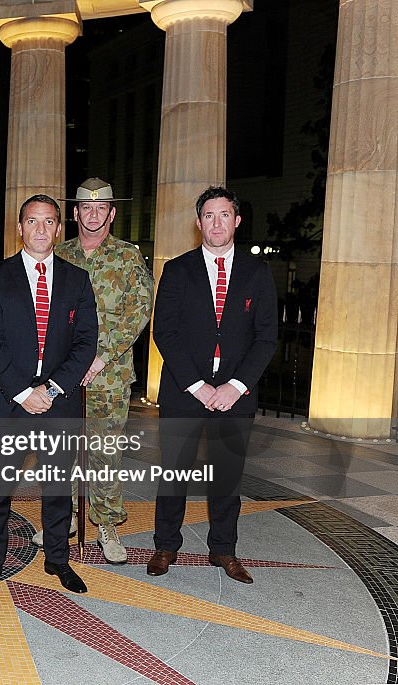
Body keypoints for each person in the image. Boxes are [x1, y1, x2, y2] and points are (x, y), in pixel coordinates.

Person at [147, 186, 277, 584]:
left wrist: (235, 385)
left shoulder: (257, 272)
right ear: (198, 222)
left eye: (224, 215)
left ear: (236, 221)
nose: (216, 223)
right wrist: (197, 385)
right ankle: (165, 545)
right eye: (209, 216)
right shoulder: (178, 268)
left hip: (235, 395)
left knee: (227, 476)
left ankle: (224, 550)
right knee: (173, 475)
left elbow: (267, 335)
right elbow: (164, 332)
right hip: (185, 392)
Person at [0, 194, 98, 596]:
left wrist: (53, 387)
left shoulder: (77, 279)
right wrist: (25, 391)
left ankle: (58, 561)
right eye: (33, 221)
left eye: (49, 222)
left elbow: (85, 341)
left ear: (59, 228)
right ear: (20, 227)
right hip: (10, 401)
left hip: (59, 402)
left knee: (58, 488)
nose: (41, 229)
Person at [32, 178, 153, 563]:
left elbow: (139, 310)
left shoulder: (128, 257)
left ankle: (106, 524)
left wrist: (100, 355)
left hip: (109, 372)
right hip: (63, 373)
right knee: (61, 449)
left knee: (104, 451)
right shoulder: (59, 255)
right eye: (86, 208)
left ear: (112, 213)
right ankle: (63, 518)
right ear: (75, 213)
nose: (94, 214)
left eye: (102, 208)